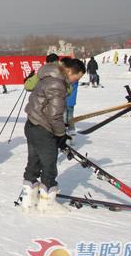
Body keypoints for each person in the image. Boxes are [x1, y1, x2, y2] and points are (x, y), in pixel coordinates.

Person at [20, 58, 86, 214]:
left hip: (32, 124)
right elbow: (55, 115)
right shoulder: (57, 83)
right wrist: (61, 134)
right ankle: (47, 203)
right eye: (76, 78)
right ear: (69, 71)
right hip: (43, 128)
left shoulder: (46, 77)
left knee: (34, 161)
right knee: (49, 165)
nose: (74, 82)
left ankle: (29, 198)